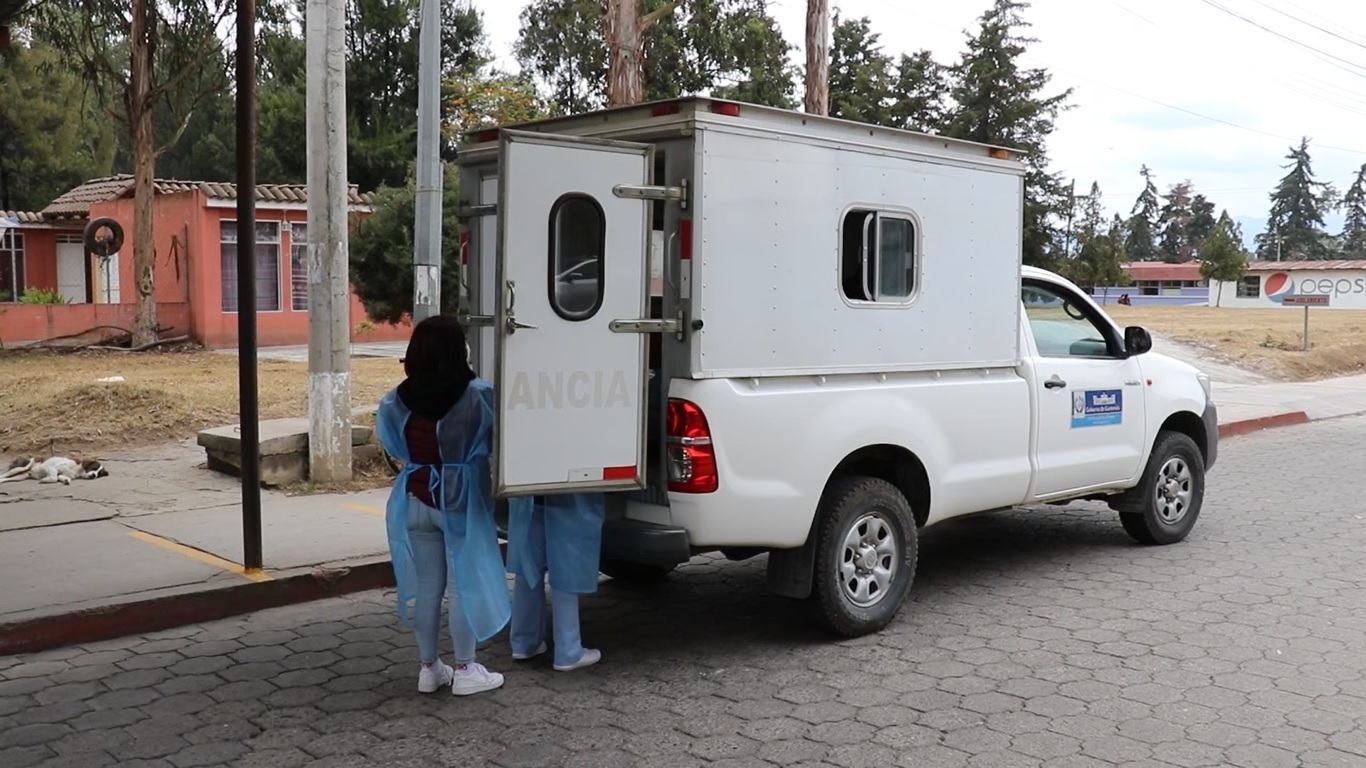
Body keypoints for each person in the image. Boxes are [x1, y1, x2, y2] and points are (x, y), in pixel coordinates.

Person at [375, 315, 510, 696]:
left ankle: (429, 668)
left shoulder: (396, 399)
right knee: (463, 584)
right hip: (460, 500)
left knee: (429, 586)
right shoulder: (479, 393)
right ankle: (466, 668)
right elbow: (500, 437)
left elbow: (391, 442)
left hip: (414, 496)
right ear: (458, 349)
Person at [506, 492, 606, 671]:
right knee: (565, 563)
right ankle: (568, 650)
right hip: (564, 489)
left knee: (528, 563)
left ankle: (524, 641)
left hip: (527, 488)